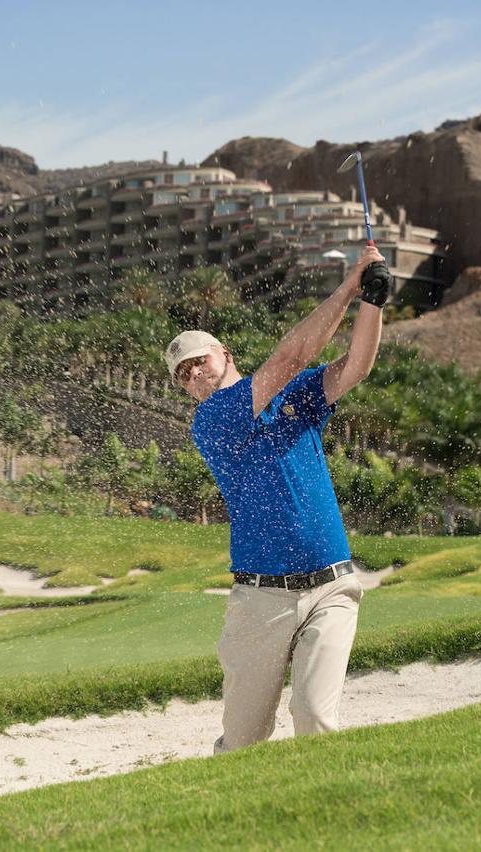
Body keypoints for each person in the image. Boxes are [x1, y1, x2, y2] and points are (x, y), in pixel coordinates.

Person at [164, 246, 391, 752]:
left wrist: (373, 298)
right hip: (261, 598)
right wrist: (349, 286)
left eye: (198, 361)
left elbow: (355, 366)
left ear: (224, 354)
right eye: (183, 374)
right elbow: (291, 357)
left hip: (332, 585)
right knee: (245, 741)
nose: (194, 374)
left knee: (315, 716)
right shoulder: (213, 421)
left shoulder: (295, 396)